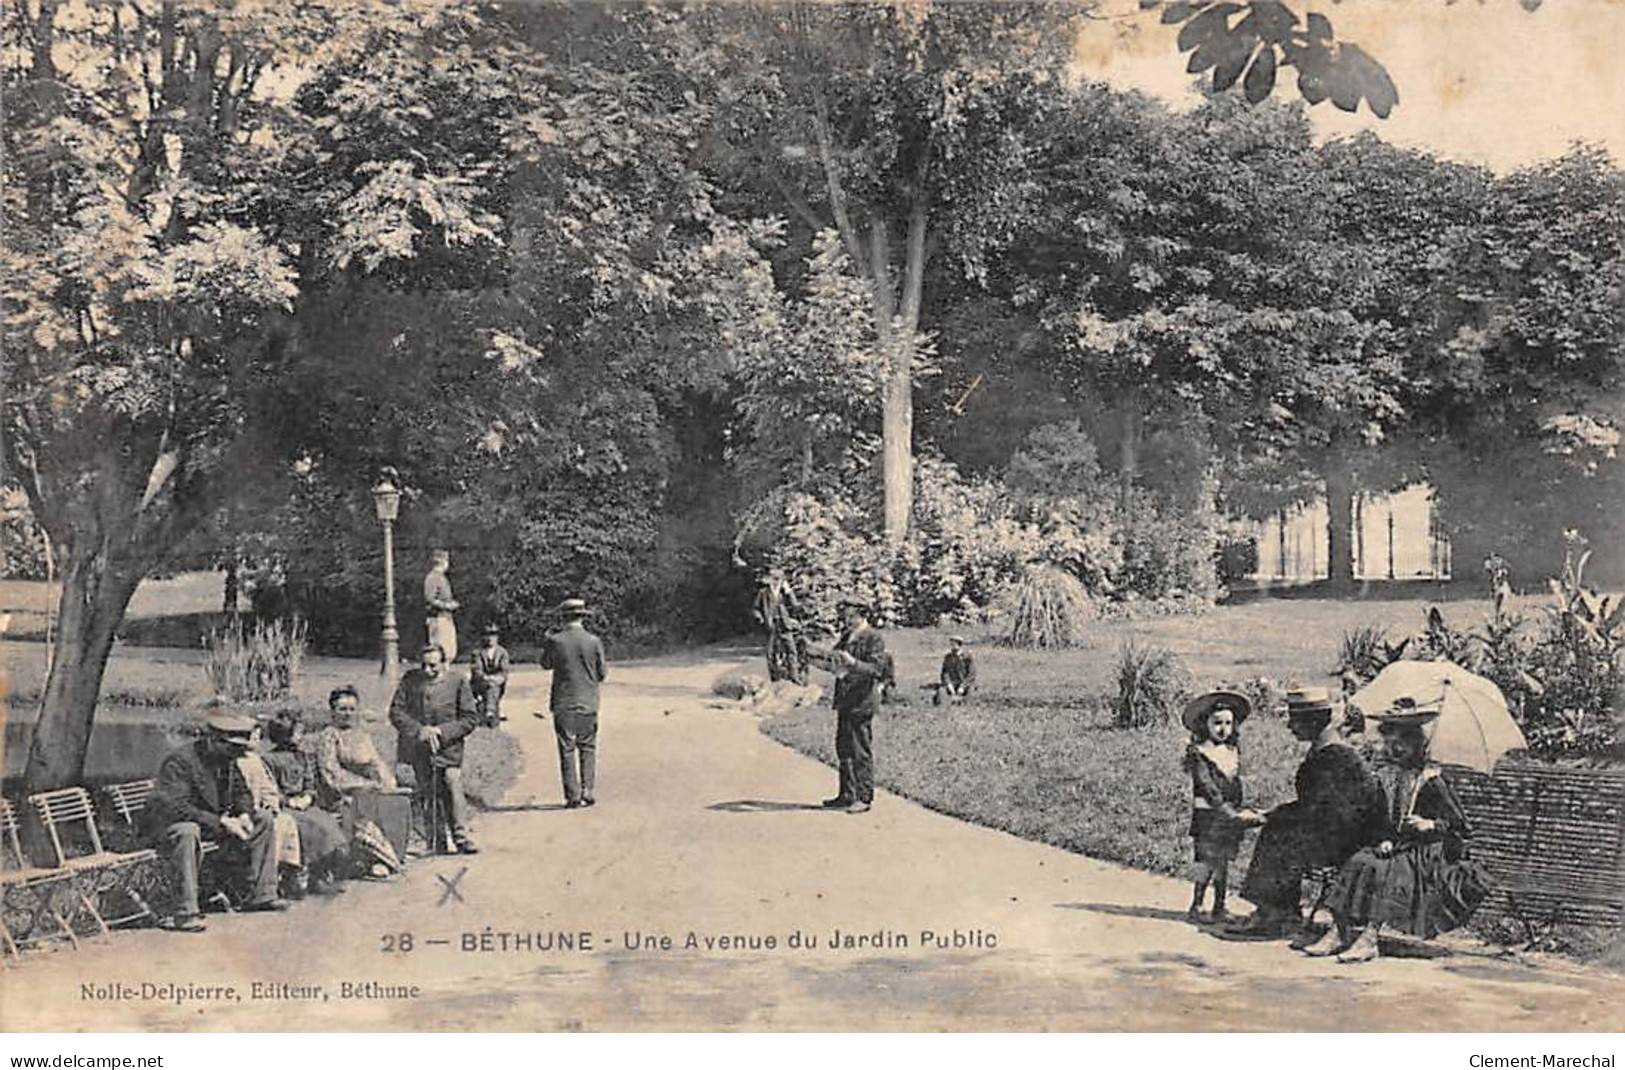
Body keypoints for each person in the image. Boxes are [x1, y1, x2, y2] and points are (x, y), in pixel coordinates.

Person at [1303, 704, 1485, 962]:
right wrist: (1385, 838)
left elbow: (1462, 827)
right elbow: (1380, 820)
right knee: (1359, 861)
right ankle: (1339, 930)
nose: (1396, 749)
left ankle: (1369, 938)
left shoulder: (1433, 779)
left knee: (1387, 871)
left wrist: (1430, 824)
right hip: (1400, 846)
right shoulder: (1388, 776)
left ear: (1417, 744)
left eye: (1403, 743)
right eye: (1391, 743)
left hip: (1429, 852)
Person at [1230, 686, 1386, 938]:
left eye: (1295, 721)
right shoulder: (1326, 749)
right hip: (1334, 829)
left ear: (1313, 721)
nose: (1290, 727)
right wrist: (1271, 814)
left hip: (1346, 838)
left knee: (1278, 834)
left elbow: (1323, 810)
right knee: (1280, 829)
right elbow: (1315, 805)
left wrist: (1268, 817)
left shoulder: (1335, 755)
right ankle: (1281, 911)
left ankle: (1273, 913)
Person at [144, 711, 287, 931]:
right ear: (213, 739)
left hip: (207, 825)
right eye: (232, 747)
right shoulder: (181, 761)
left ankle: (262, 894)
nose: (236, 754)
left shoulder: (226, 758)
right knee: (188, 831)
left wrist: (244, 814)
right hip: (169, 826)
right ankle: (185, 911)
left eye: (240, 748)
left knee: (264, 819)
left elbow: (242, 792)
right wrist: (222, 822)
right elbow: (176, 808)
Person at [1181, 690, 1267, 924]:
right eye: (1217, 723)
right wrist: (1225, 809)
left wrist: (1241, 809)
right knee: (1206, 860)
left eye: (1228, 723)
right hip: (1209, 816)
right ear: (1204, 724)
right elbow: (1207, 787)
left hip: (1229, 815)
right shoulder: (1200, 753)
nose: (1223, 729)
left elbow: (1234, 784)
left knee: (1223, 861)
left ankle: (1219, 905)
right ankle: (1197, 904)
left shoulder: (1231, 752)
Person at [389, 643, 481, 854]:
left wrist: (440, 731)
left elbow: (470, 718)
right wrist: (420, 730)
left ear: (444, 663)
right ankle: (435, 840)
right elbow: (396, 712)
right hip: (419, 747)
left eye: (433, 666)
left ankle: (461, 836)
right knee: (427, 790)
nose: (427, 670)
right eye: (423, 665)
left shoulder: (458, 682)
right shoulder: (410, 680)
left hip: (448, 748)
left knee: (452, 782)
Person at [262, 715, 349, 897]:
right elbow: (270, 788)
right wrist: (288, 801)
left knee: (327, 824)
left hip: (304, 804)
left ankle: (320, 873)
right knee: (309, 827)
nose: (302, 737)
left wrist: (308, 797)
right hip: (284, 806)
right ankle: (297, 878)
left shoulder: (302, 756)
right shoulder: (268, 759)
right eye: (298, 733)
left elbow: (309, 783)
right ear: (284, 735)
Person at [538, 598, 607, 808]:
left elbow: (545, 664)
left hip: (563, 702)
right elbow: (602, 674)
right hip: (588, 701)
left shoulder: (556, 641)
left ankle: (572, 795)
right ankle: (588, 789)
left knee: (566, 748)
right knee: (588, 746)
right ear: (583, 617)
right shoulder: (594, 641)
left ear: (563, 617)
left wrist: (546, 641)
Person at [820, 599, 887, 814]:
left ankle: (864, 797)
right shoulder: (847, 636)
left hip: (862, 701)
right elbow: (834, 658)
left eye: (851, 616)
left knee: (861, 750)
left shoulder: (874, 638)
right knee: (844, 748)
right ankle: (847, 794)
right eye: (846, 616)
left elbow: (876, 670)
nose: (847, 620)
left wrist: (852, 663)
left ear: (862, 615)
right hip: (845, 700)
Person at [753, 568, 808, 685]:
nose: (776, 581)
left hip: (784, 624)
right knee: (770, 653)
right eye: (774, 578)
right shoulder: (763, 593)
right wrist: (760, 619)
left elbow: (795, 606)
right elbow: (755, 608)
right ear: (769, 579)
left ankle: (794, 677)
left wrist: (789, 592)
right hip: (771, 624)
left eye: (779, 579)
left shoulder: (785, 593)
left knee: (791, 650)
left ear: (782, 580)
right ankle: (774, 678)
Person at [471, 623, 511, 727]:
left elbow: (504, 671)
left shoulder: (503, 653)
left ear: (497, 637)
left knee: (494, 687)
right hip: (480, 682)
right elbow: (477, 671)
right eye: (487, 635)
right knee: (492, 687)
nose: (490, 639)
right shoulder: (477, 653)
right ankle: (490, 712)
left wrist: (497, 679)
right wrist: (487, 678)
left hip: (497, 682)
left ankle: (490, 712)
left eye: (493, 635)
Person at [424, 548, 460, 664]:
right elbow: (430, 599)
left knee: (448, 650)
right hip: (438, 619)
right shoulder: (433, 577)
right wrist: (447, 606)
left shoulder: (441, 578)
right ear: (443, 562)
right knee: (440, 650)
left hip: (445, 618)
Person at [935, 635, 976, 706]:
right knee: (941, 692)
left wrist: (963, 686)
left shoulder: (967, 657)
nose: (952, 646)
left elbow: (971, 674)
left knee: (970, 694)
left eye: (954, 644)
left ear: (959, 644)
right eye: (951, 644)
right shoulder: (948, 657)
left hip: (964, 683)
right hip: (952, 683)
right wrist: (948, 684)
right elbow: (945, 672)